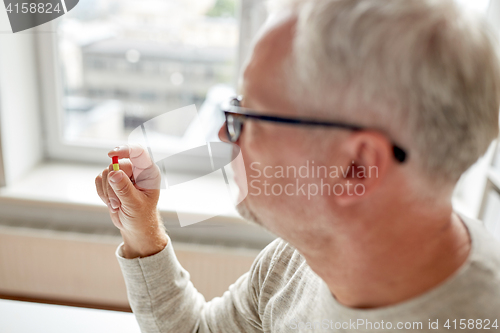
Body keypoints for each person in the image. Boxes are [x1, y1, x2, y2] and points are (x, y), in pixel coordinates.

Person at [95, 0, 500, 331]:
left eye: (248, 115)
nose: (224, 135)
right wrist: (141, 226)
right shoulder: (293, 265)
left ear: (355, 167)